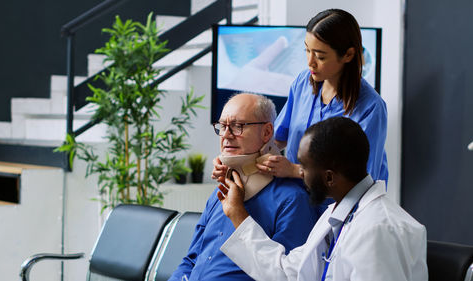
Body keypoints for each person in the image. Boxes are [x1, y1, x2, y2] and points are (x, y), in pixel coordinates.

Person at [218, 117, 428, 281]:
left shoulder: (378, 229)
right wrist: (238, 215)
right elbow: (288, 272)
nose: (300, 173)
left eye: (305, 167)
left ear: (328, 177)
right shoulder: (339, 214)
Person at [213, 9, 388, 186]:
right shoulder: (303, 83)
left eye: (320, 56)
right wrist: (232, 161)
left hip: (339, 208)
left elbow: (361, 179)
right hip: (295, 197)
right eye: (307, 50)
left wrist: (296, 170)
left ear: (348, 55)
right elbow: (277, 138)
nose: (310, 62)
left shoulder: (371, 108)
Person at [168, 93, 319, 281]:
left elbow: (287, 276)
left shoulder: (292, 200)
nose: (226, 135)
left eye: (238, 126)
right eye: (222, 126)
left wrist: (238, 213)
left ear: (266, 132)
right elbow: (190, 261)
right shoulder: (220, 193)